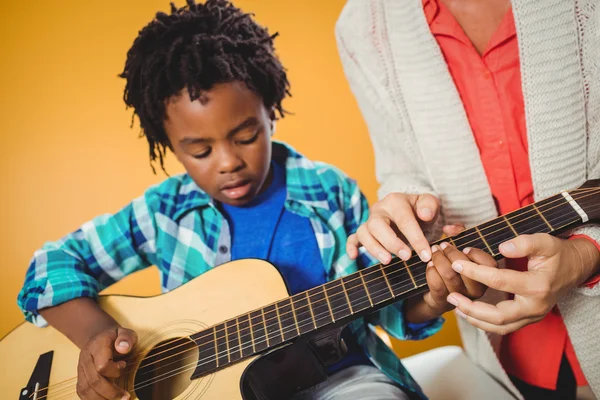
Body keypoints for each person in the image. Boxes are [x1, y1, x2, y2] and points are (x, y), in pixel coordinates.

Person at [16, 1, 494, 398]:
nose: (227, 162)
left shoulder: (329, 193)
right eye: (199, 150)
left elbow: (385, 307)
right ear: (166, 141)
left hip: (338, 380)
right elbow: (50, 266)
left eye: (245, 135)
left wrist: (433, 295)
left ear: (270, 111)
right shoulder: (165, 210)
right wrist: (96, 337)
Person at [336, 0, 600, 399]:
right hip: (506, 360)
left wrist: (587, 254)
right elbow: (404, 170)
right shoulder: (361, 27)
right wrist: (410, 214)